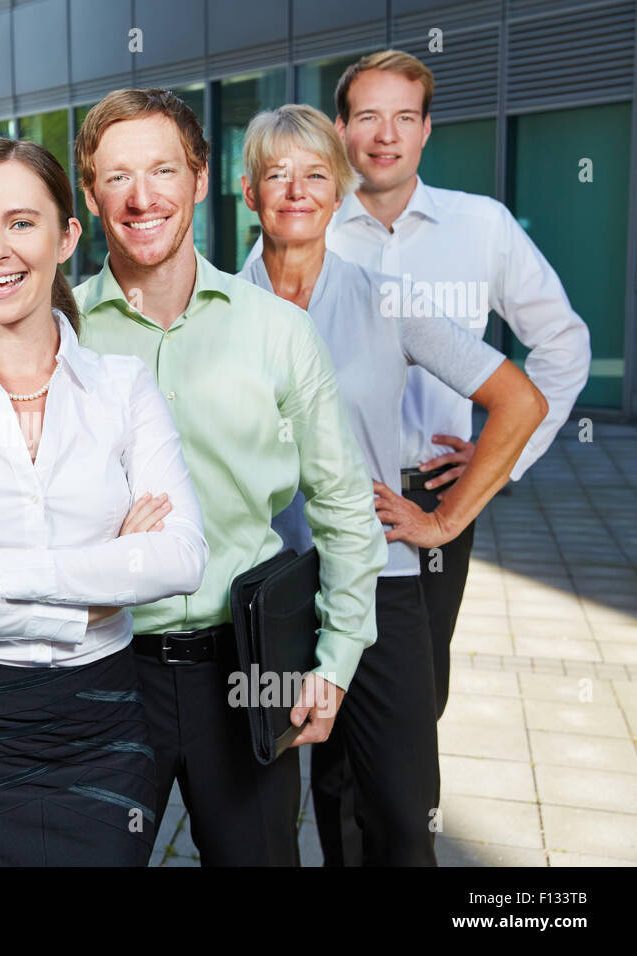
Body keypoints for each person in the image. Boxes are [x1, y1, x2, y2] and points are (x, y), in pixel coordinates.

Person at [0, 137, 207, 867]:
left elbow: (180, 558)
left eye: (21, 222)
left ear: (66, 237)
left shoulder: (123, 388)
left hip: (100, 729)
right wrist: (95, 588)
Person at [71, 88, 387, 865]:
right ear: (89, 193)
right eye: (117, 178)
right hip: (103, 671)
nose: (142, 198)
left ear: (201, 179)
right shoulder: (61, 336)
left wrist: (337, 660)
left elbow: (344, 507)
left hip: (250, 668)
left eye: (163, 170)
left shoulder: (280, 333)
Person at [238, 104, 547, 864]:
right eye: (277, 174)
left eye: (316, 174)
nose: (297, 190)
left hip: (379, 583)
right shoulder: (213, 305)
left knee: (406, 818)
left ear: (339, 193)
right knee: (284, 813)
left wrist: (444, 519)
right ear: (249, 193)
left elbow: (521, 401)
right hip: (261, 594)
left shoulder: (388, 299)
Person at [243, 51, 590, 722]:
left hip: (428, 486)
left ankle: (405, 820)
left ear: (427, 129)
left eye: (404, 117)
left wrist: (504, 457)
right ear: (340, 129)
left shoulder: (480, 226)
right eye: (367, 117)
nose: (386, 135)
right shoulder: (304, 218)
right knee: (324, 692)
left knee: (413, 693)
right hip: (320, 490)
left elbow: (563, 343)